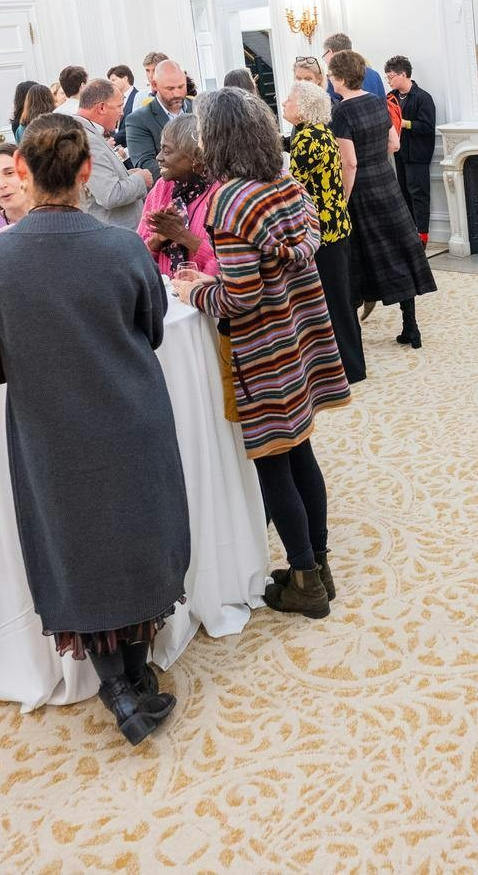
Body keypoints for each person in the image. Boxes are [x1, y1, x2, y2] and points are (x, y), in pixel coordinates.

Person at [0, 113, 191, 746]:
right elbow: (150, 327)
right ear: (88, 172)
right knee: (138, 529)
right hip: (129, 414)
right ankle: (132, 678)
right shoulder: (121, 247)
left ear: (26, 175)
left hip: (47, 426)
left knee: (75, 542)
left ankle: (120, 684)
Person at [170, 87, 352, 618]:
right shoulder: (285, 183)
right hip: (301, 337)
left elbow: (240, 297)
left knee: (275, 464)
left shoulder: (230, 199)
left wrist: (194, 290)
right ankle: (318, 564)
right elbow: (274, 266)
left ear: (218, 138)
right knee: (302, 453)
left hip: (266, 348)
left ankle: (305, 583)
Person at [329, 49, 436, 348]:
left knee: (358, 259)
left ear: (338, 78)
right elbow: (395, 143)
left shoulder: (341, 112)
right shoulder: (378, 101)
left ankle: (353, 339)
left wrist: (343, 198)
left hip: (361, 190)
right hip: (387, 184)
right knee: (398, 251)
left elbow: (349, 163)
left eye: (330, 75)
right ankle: (410, 327)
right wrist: (376, 155)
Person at [283, 80, 363, 384]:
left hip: (322, 232)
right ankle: (352, 364)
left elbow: (296, 189)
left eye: (289, 100)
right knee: (342, 298)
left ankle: (347, 368)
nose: (284, 104)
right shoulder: (321, 132)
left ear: (303, 108)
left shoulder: (306, 139)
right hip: (337, 224)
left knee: (333, 300)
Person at [137, 114, 218, 279]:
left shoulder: (221, 194)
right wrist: (158, 238)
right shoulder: (162, 187)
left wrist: (182, 236)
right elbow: (136, 257)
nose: (158, 157)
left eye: (166, 151)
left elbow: (227, 270)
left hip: (203, 299)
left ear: (196, 158)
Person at [77, 77, 154, 228]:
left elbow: (98, 183)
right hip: (114, 235)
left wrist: (128, 175)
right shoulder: (87, 140)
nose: (122, 113)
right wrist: (140, 179)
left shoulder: (85, 133)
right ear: (102, 108)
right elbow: (109, 195)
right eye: (119, 106)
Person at [383, 56, 435, 243]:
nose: (388, 81)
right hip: (400, 153)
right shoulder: (391, 97)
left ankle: (422, 235)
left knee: (419, 195)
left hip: (418, 154)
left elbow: (428, 127)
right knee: (404, 193)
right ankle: (409, 234)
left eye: (391, 77)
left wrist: (405, 124)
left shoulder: (423, 97)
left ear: (403, 74)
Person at [122, 60, 189, 175]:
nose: (177, 93)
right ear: (154, 85)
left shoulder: (199, 108)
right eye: (170, 89)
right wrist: (190, 173)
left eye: (181, 87)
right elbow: (146, 165)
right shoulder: (138, 120)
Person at [320, 33, 384, 99]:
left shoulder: (335, 78)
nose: (324, 60)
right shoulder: (374, 74)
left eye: (324, 55)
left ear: (330, 51)